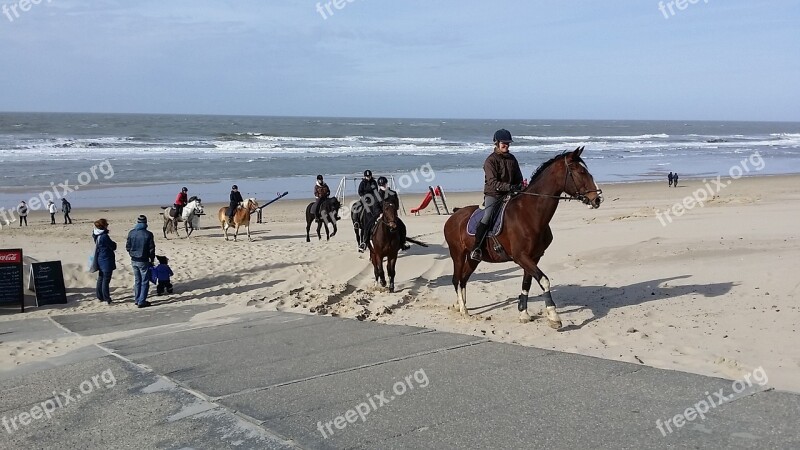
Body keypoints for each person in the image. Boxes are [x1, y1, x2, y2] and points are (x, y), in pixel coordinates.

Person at [470, 129, 523, 261]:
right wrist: (509, 187)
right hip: (494, 194)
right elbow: (493, 182)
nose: (507, 145)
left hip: (510, 193)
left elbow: (518, 177)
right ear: (497, 143)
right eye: (504, 143)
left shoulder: (512, 159)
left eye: (508, 143)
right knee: (487, 216)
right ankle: (477, 248)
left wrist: (519, 186)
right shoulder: (490, 161)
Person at [359, 176, 408, 252]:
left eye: (384, 184)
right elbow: (375, 206)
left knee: (402, 226)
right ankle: (364, 243)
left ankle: (403, 243)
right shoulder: (377, 195)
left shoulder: (393, 193)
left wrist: (393, 212)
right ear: (379, 186)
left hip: (391, 215)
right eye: (382, 185)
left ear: (386, 183)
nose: (383, 186)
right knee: (367, 226)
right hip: (380, 214)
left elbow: (397, 205)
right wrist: (380, 213)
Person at [126, 215, 156, 308]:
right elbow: (151, 249)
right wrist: (152, 259)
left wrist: (132, 253)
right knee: (144, 281)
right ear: (145, 223)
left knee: (137, 280)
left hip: (134, 259)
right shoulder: (148, 234)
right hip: (143, 260)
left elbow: (128, 246)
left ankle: (137, 299)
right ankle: (141, 301)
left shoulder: (131, 233)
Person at [92, 218, 116, 304]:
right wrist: (114, 244)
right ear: (103, 226)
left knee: (101, 278)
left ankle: (100, 296)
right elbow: (113, 246)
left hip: (100, 258)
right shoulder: (104, 236)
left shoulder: (96, 234)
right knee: (106, 279)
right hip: (106, 259)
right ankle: (106, 298)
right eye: (106, 224)